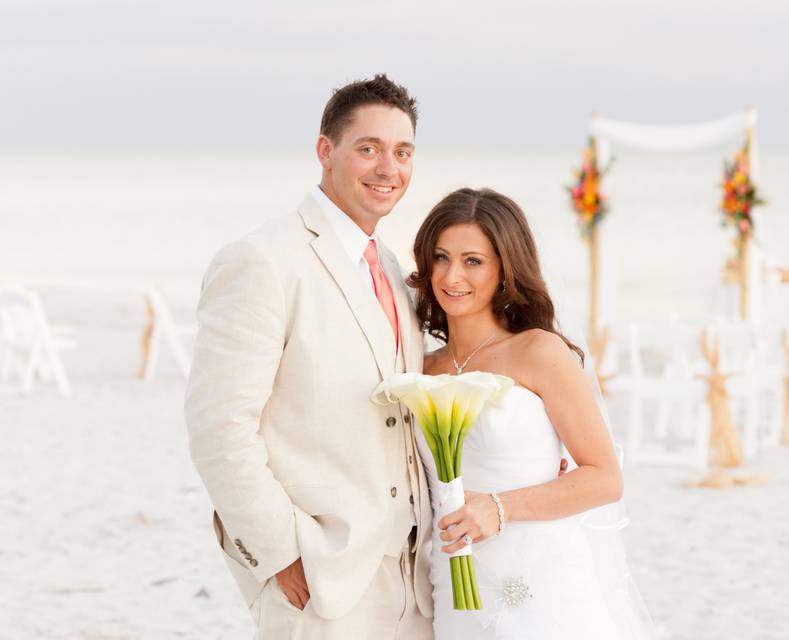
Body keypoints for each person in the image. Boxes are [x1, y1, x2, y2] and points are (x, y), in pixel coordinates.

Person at [184, 74, 434, 639]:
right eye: (368, 148)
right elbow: (218, 429)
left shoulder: (395, 271)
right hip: (320, 583)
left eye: (402, 152)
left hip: (412, 590)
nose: (387, 168)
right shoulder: (262, 261)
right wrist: (279, 552)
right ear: (326, 151)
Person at [408, 187, 655, 638]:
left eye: (473, 261)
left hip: (542, 581)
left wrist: (500, 508)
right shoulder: (422, 370)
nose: (451, 276)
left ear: (505, 267)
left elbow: (604, 477)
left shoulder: (539, 352)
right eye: (441, 257)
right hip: (455, 584)